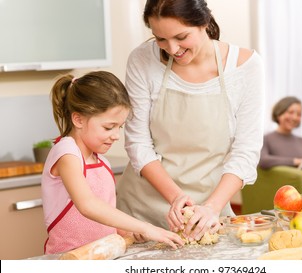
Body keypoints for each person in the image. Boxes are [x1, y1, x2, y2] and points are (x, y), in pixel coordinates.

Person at [116, 0, 265, 242]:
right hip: (140, 214)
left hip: (208, 212)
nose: (172, 49)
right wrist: (176, 197)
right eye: (160, 39)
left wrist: (212, 207)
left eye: (181, 37)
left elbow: (246, 152)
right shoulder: (142, 60)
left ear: (204, 22)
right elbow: (138, 144)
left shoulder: (245, 67)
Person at [42, 71, 184, 255]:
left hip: (103, 256)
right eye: (109, 127)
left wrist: (126, 231)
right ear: (78, 119)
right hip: (70, 260)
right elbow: (88, 205)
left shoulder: (101, 161)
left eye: (120, 127)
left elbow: (103, 216)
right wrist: (145, 227)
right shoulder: (67, 154)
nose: (116, 136)